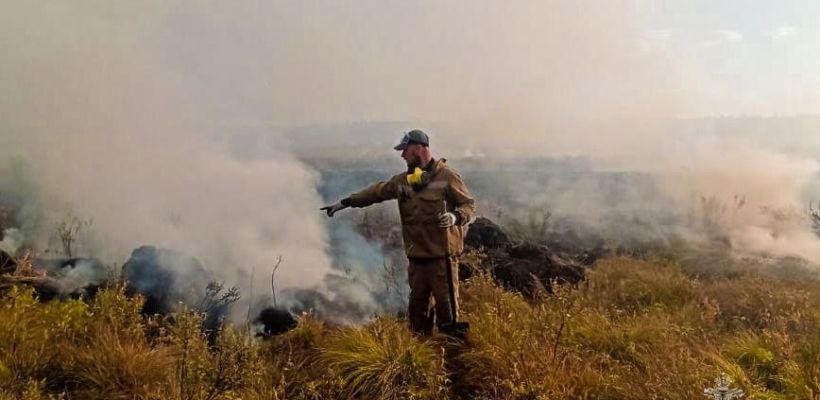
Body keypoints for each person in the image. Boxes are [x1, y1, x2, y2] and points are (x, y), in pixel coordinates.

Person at [321, 129, 475, 334]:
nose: (402, 155)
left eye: (405, 150)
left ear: (418, 148)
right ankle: (422, 350)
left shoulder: (447, 176)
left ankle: (453, 349)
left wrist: (455, 217)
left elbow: (468, 205)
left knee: (448, 315)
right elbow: (376, 192)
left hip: (442, 259)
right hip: (417, 260)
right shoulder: (403, 181)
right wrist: (345, 203)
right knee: (417, 316)